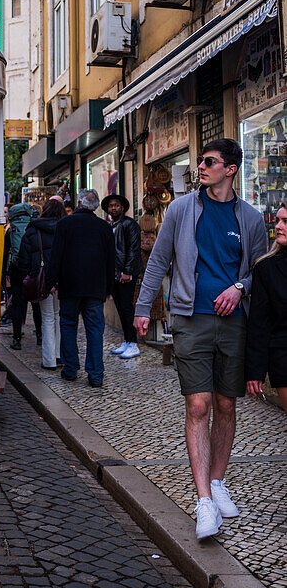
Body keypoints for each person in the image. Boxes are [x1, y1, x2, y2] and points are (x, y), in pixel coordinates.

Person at [134, 138, 268, 541]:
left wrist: (239, 288)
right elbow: (158, 260)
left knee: (226, 404)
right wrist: (142, 308)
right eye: (200, 162)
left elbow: (258, 271)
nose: (201, 168)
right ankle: (204, 500)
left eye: (209, 162)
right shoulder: (180, 209)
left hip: (234, 322)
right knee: (199, 404)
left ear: (231, 169)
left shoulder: (250, 218)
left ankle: (218, 481)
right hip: (190, 319)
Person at [44, 189, 115, 387]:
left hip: (69, 285)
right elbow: (111, 261)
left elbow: (55, 256)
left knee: (68, 325)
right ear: (96, 206)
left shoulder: (64, 224)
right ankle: (95, 374)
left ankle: (70, 368)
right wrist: (109, 287)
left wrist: (50, 282)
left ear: (79, 204)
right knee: (94, 330)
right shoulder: (104, 227)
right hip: (95, 287)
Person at [246, 204, 287, 414]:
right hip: (283, 354)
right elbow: (259, 322)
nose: (278, 226)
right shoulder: (266, 267)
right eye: (278, 220)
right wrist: (256, 370)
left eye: (285, 222)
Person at [19, 198, 63, 368]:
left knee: (47, 318)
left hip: (42, 279)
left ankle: (49, 360)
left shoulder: (33, 229)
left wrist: (29, 274)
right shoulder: (65, 228)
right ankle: (59, 355)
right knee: (60, 317)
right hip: (62, 279)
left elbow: (24, 257)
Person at [101, 194, 142, 359]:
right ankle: (127, 340)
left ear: (122, 207)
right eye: (111, 206)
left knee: (127, 308)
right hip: (115, 273)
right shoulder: (111, 225)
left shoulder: (129, 224)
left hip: (125, 273)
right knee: (120, 308)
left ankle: (134, 343)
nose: (113, 208)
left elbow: (133, 249)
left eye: (116, 205)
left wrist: (127, 271)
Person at [6, 201, 34, 350]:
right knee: (36, 304)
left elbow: (5, 252)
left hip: (16, 270)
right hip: (32, 270)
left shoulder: (11, 230)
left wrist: (5, 274)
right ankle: (41, 336)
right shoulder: (34, 228)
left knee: (17, 303)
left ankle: (17, 337)